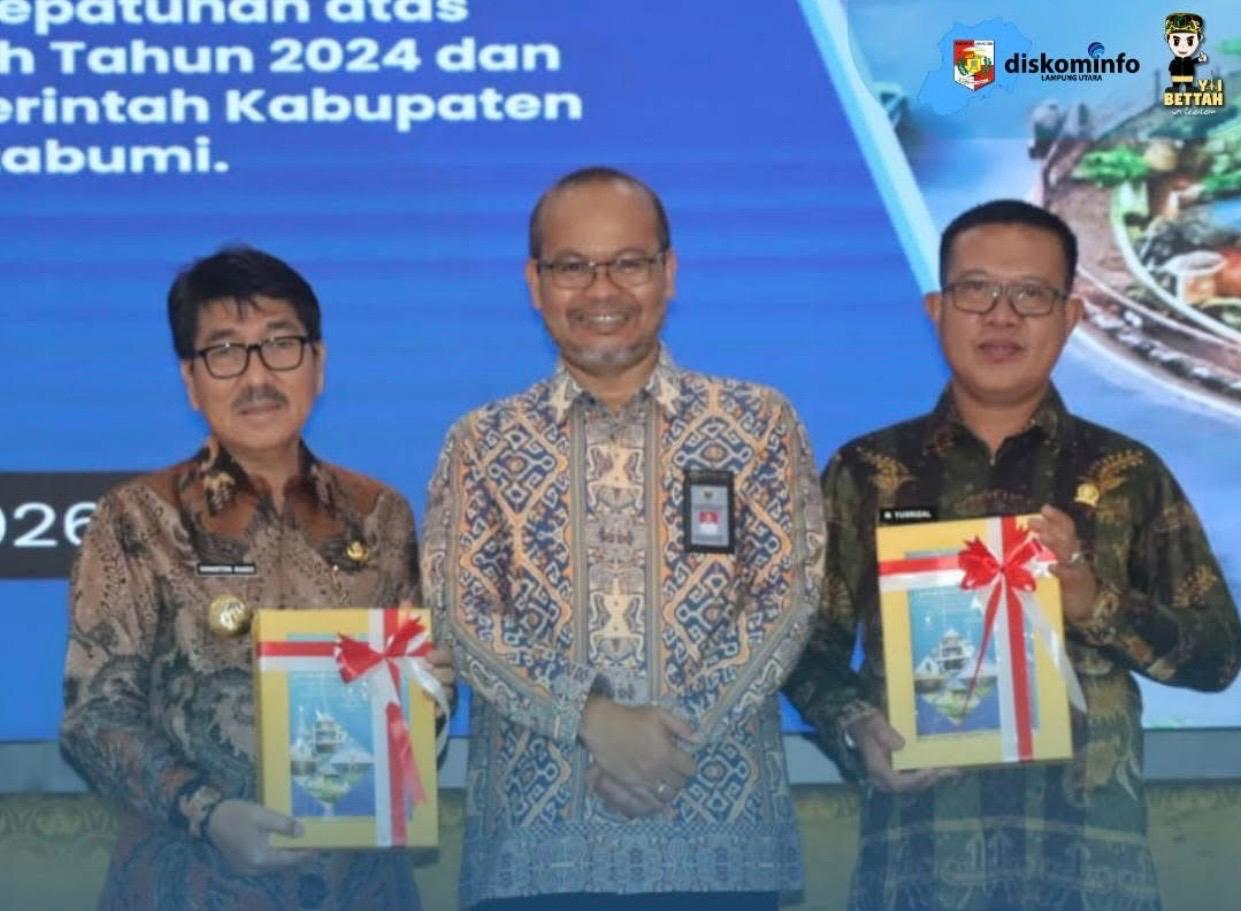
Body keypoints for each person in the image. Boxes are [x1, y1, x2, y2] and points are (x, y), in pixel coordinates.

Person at [783, 199, 1241, 911]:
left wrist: (1095, 603)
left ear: (1071, 316)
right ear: (936, 308)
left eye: (1031, 294)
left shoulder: (1126, 474)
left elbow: (1217, 658)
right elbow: (804, 643)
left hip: (1090, 875)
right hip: (919, 868)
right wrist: (854, 727)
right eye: (976, 290)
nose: (1001, 316)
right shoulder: (867, 472)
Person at [422, 166, 825, 910]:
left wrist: (663, 742)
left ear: (668, 272)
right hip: (536, 857)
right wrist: (592, 719)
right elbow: (461, 615)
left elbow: (786, 599)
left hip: (719, 843)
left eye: (628, 263)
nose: (601, 290)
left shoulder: (757, 422)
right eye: (572, 266)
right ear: (535, 282)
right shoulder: (480, 441)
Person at [61, 246, 451, 911]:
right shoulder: (137, 517)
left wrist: (430, 701)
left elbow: (418, 710)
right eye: (224, 352)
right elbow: (93, 716)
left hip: (357, 890)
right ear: (190, 380)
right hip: (187, 882)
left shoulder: (380, 514)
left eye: (280, 344)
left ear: (318, 363)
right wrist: (207, 811)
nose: (257, 376)